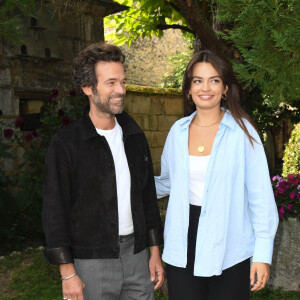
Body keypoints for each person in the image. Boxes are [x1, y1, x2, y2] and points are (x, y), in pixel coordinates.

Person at [42, 42, 164, 300]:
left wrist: (154, 252)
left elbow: (147, 199)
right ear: (88, 88)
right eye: (111, 83)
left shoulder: (134, 136)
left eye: (122, 81)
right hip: (90, 261)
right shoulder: (66, 143)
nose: (121, 90)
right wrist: (67, 272)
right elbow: (55, 211)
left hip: (137, 257)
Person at [155, 50, 279, 300]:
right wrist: (125, 182)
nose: (206, 87)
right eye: (198, 80)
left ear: (225, 88)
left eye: (214, 80)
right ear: (189, 89)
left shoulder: (243, 134)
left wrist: (262, 256)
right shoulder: (177, 133)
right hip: (183, 244)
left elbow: (261, 198)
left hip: (230, 245)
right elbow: (167, 183)